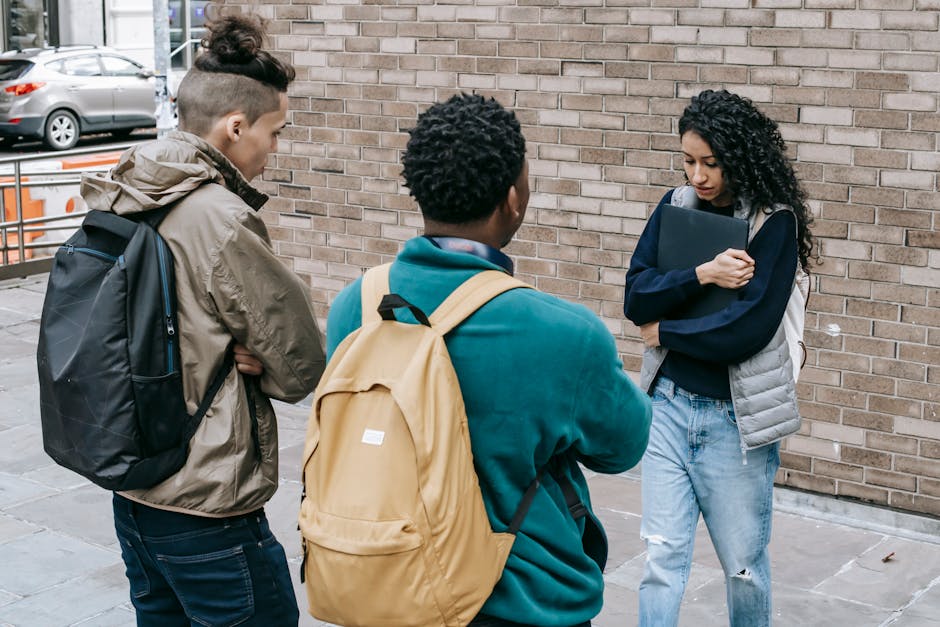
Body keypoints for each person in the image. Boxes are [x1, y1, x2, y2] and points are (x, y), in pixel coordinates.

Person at [325, 93, 652, 627]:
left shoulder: (357, 305)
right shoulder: (565, 333)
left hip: (388, 588)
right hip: (522, 601)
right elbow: (623, 447)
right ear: (512, 198)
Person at [80, 14, 326, 626]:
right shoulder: (218, 216)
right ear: (235, 126)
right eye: (275, 132)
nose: (275, 147)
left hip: (133, 490)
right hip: (207, 507)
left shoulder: (123, 187)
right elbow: (300, 364)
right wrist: (258, 358)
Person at [623, 89, 815, 627]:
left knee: (743, 567)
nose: (698, 176)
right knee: (661, 558)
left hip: (736, 421)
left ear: (742, 157)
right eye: (688, 161)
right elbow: (635, 295)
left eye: (711, 162)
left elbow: (745, 330)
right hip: (667, 408)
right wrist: (702, 275)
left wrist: (664, 331)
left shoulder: (773, 224)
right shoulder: (675, 206)